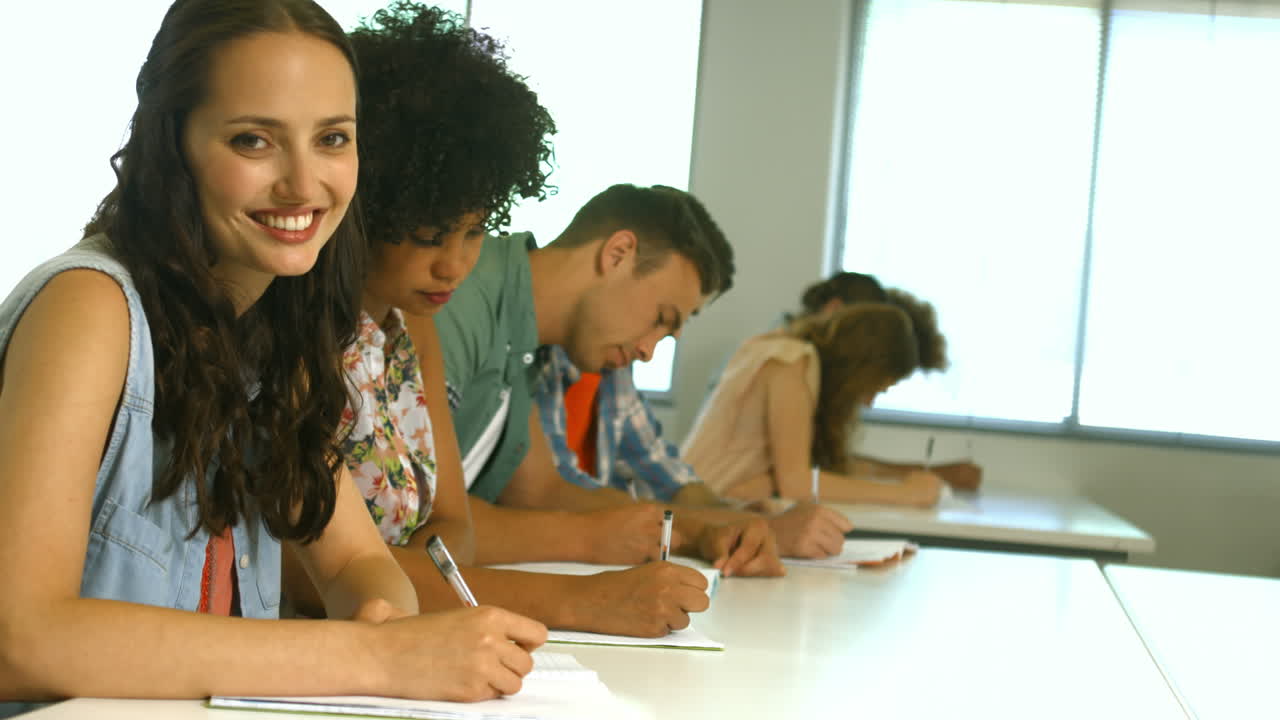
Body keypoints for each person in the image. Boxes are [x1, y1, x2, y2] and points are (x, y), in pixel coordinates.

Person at [0, 1, 544, 714]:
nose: (303, 183)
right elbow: (18, 638)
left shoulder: (269, 334)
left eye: (332, 138)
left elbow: (355, 560)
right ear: (173, 145)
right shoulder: (89, 308)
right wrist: (372, 656)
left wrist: (380, 609)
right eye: (254, 141)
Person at [281, 2, 711, 639]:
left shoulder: (412, 328)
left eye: (476, 230)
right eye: (429, 235)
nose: (454, 265)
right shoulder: (290, 333)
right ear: (369, 208)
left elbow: (456, 528)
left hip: (397, 637)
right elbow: (307, 571)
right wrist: (574, 602)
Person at [437, 183, 785, 578]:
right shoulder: (456, 295)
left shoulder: (525, 336)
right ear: (618, 254)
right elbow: (415, 523)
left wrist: (699, 529)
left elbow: (540, 491)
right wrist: (587, 539)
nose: (649, 352)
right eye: (661, 319)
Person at [535, 344, 855, 559]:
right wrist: (739, 528)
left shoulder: (613, 370)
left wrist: (739, 515)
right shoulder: (536, 360)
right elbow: (560, 497)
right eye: (662, 316)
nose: (648, 352)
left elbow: (670, 477)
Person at [682, 303, 946, 506]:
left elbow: (824, 469)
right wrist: (906, 494)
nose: (869, 402)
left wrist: (904, 478)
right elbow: (797, 484)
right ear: (860, 369)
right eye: (874, 387)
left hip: (710, 502)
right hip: (697, 506)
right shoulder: (791, 360)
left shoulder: (789, 353)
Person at [795, 274, 982, 491]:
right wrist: (910, 491)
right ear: (834, 310)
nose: (867, 401)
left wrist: (927, 476)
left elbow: (827, 464)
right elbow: (801, 478)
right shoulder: (791, 363)